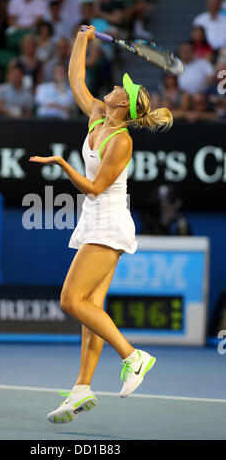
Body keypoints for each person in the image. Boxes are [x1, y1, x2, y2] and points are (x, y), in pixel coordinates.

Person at [29, 25, 173, 424]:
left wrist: (61, 164)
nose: (113, 87)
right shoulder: (97, 116)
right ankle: (81, 388)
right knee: (91, 307)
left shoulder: (122, 141)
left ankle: (133, 356)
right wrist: (81, 39)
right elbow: (76, 78)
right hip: (94, 221)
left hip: (108, 223)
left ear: (124, 106)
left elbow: (94, 188)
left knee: (71, 301)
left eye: (120, 89)